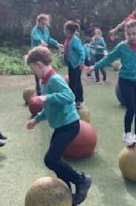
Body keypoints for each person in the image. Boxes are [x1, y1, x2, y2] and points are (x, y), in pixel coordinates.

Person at [26, 46, 92, 206]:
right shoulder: (46, 81)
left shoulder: (54, 79)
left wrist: (46, 97)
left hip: (70, 125)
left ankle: (81, 180)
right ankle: (67, 194)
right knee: (56, 160)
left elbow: (69, 96)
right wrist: (37, 119)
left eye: (33, 69)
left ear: (39, 65)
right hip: (62, 126)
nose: (34, 73)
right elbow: (49, 107)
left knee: (50, 159)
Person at [30, 14, 63, 95]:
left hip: (44, 52)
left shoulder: (46, 30)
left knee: (46, 68)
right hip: (36, 53)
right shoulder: (35, 30)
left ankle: (46, 86)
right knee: (38, 70)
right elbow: (35, 36)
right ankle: (38, 89)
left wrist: (56, 44)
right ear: (38, 22)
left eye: (45, 24)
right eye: (42, 24)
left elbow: (48, 39)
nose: (44, 26)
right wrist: (41, 40)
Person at [63, 21, 85, 109]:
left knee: (77, 82)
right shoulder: (68, 39)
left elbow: (81, 52)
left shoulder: (75, 40)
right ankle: (72, 99)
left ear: (69, 31)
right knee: (71, 82)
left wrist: (82, 62)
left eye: (65, 29)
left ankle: (79, 101)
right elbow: (69, 50)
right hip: (71, 64)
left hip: (77, 65)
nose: (64, 31)